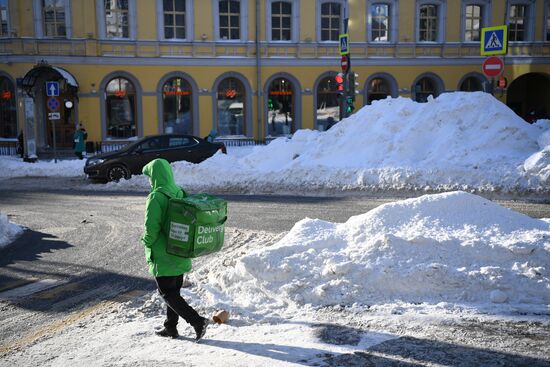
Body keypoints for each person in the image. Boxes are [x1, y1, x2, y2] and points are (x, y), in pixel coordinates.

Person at [141, 158, 210, 341]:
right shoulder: (178, 191)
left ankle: (197, 321)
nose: (149, 180)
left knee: (166, 293)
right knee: (174, 293)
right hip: (180, 249)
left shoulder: (157, 196)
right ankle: (170, 327)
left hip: (163, 254)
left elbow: (152, 227)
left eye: (150, 176)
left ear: (155, 176)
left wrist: (146, 242)